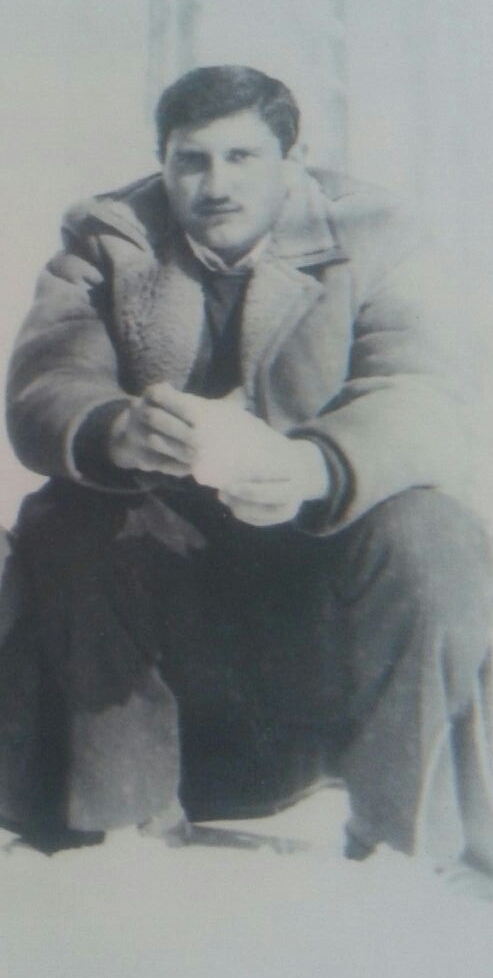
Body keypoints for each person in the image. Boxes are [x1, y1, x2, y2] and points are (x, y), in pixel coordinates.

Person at [2, 65, 493, 886]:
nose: (216, 184)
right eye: (191, 160)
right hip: (168, 596)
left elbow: (421, 393)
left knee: (435, 535)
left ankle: (404, 845)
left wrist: (314, 465)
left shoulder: (377, 232)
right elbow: (46, 382)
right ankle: (119, 830)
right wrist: (117, 428)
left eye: (242, 157)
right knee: (65, 516)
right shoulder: (108, 236)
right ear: (162, 163)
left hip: (317, 583)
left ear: (291, 159)